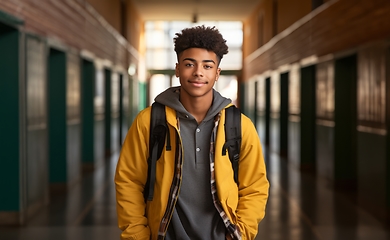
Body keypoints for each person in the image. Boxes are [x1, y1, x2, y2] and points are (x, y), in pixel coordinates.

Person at [115, 25, 269, 240]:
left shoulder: (239, 125)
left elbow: (255, 186)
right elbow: (129, 181)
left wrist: (240, 233)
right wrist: (137, 235)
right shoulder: (149, 121)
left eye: (207, 66)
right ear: (178, 69)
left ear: (217, 73)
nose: (198, 72)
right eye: (190, 64)